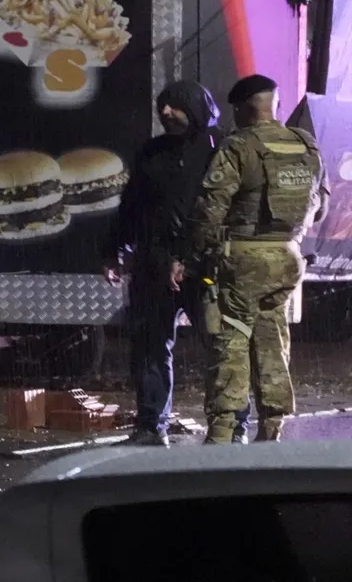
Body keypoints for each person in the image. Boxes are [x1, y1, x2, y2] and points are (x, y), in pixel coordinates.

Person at [102, 80, 251, 447]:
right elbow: (131, 205)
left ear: (197, 107)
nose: (166, 112)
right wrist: (114, 250)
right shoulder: (153, 151)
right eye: (162, 106)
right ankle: (151, 425)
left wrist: (189, 256)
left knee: (220, 345)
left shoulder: (222, 149)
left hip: (205, 267)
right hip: (154, 263)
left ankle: (233, 424)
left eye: (175, 105)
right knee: (150, 345)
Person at [181, 74, 328, 443]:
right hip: (289, 257)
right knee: (272, 338)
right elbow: (320, 207)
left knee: (231, 339)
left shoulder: (238, 146)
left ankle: (222, 431)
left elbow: (209, 208)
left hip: (243, 259)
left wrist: (197, 255)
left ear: (243, 108)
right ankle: (273, 427)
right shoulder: (305, 144)